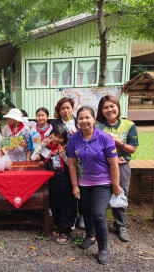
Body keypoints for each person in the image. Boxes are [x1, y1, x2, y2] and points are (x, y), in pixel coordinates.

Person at [67, 106, 121, 265]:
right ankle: (90, 235)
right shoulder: (74, 139)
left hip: (102, 183)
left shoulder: (105, 138)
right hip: (83, 183)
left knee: (98, 214)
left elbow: (114, 164)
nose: (84, 121)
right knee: (86, 212)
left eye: (87, 117)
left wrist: (116, 185)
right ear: (77, 121)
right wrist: (75, 185)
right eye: (80, 118)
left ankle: (103, 248)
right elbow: (71, 165)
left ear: (94, 119)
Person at [96, 95, 139, 242]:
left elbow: (132, 149)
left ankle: (121, 225)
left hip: (122, 166)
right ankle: (97, 225)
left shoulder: (128, 125)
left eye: (112, 106)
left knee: (120, 194)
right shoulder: (97, 126)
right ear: (101, 110)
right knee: (99, 195)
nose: (109, 110)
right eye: (105, 107)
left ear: (118, 107)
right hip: (101, 167)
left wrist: (120, 143)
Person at [31, 125, 76, 244]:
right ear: (50, 134)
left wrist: (63, 155)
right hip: (52, 180)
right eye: (55, 135)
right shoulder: (47, 148)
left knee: (66, 204)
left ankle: (66, 230)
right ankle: (58, 224)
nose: (56, 139)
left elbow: (71, 164)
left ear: (64, 139)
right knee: (54, 203)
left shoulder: (66, 147)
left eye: (60, 137)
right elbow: (33, 157)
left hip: (65, 180)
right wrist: (42, 144)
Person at [50, 98, 82, 229]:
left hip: (79, 160)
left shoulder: (78, 123)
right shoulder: (54, 124)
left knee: (75, 192)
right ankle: (60, 221)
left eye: (68, 107)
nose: (65, 110)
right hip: (60, 162)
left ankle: (73, 219)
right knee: (62, 192)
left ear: (73, 108)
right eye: (62, 108)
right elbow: (50, 141)